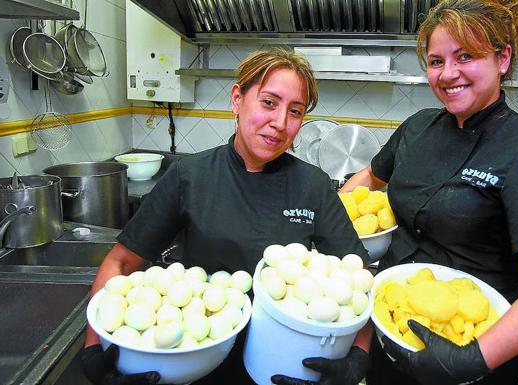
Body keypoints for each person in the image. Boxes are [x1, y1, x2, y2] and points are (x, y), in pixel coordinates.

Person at [79, 48, 369, 385]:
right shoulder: (190, 175)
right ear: (237, 99)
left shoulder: (313, 186)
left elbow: (359, 281)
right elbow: (121, 262)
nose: (280, 123)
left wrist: (358, 357)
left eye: (295, 111)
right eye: (269, 103)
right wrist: (94, 346)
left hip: (280, 362)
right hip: (194, 358)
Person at [340, 0, 518, 384]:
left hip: (471, 351)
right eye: (436, 61)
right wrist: (335, 225)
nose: (448, 73)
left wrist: (471, 359)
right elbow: (369, 178)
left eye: (465, 56)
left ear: (502, 59)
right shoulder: (418, 126)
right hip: (394, 329)